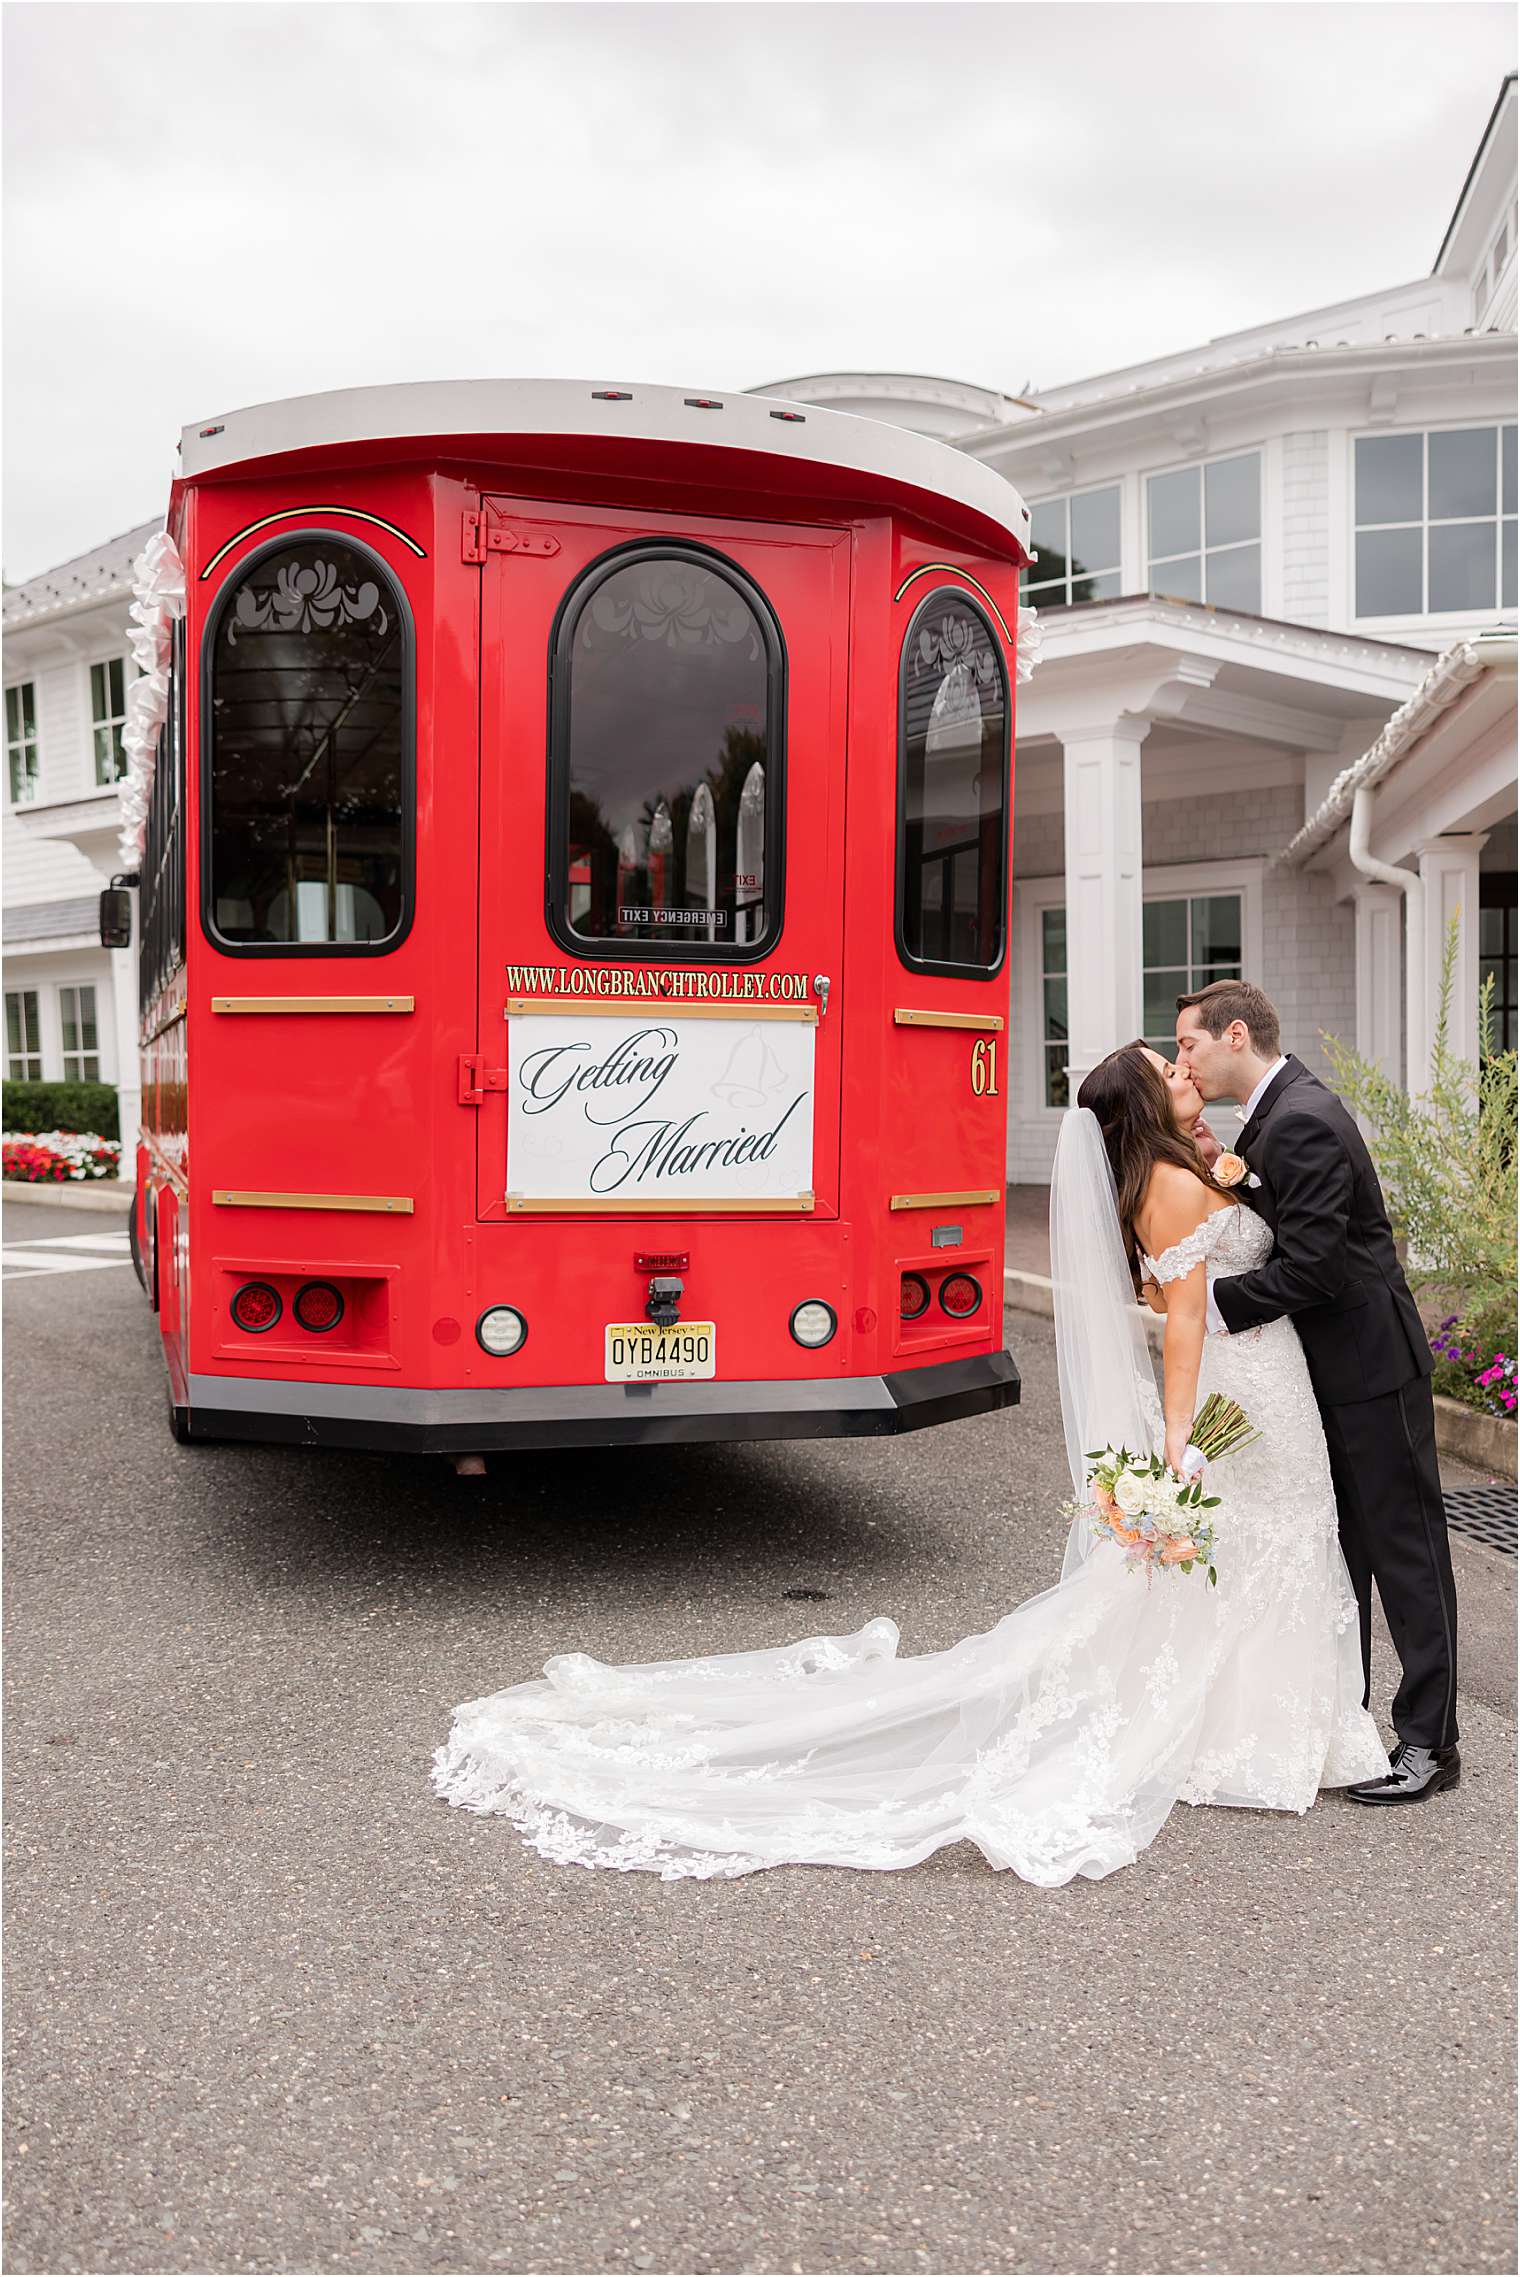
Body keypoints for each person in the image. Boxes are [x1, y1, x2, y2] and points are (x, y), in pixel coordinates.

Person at [433, 1039, 1389, 1884]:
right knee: (1273, 1545)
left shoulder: (1185, 1167)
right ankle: (1256, 1733)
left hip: (1262, 1380)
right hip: (1243, 1387)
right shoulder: (1175, 1185)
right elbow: (1184, 1320)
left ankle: (1260, 1723)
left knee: (1268, 1551)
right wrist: (1176, 1435)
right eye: (1165, 1069)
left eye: (1177, 1059)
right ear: (1147, 1108)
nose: (1184, 1070)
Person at [1173, 979, 1460, 1806]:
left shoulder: (1297, 1118)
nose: (1183, 1057)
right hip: (1326, 1374)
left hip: (1372, 1370)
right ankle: (1351, 1718)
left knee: (1406, 1553)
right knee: (1349, 1549)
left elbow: (1316, 1267)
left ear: (1234, 1034)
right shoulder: (1271, 1115)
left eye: (1189, 1043)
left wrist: (1211, 1305)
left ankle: (1431, 1743)